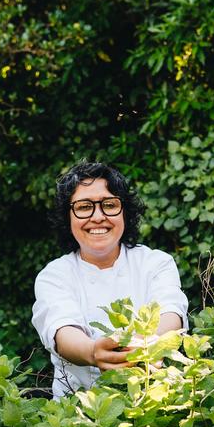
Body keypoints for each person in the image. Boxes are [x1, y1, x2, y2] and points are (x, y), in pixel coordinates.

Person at [32, 161, 188, 398]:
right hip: (76, 415)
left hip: (154, 404)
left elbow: (172, 313)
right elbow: (62, 331)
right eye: (84, 207)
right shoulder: (54, 276)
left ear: (124, 212)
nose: (98, 216)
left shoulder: (156, 263)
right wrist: (93, 352)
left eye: (109, 205)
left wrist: (146, 345)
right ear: (68, 217)